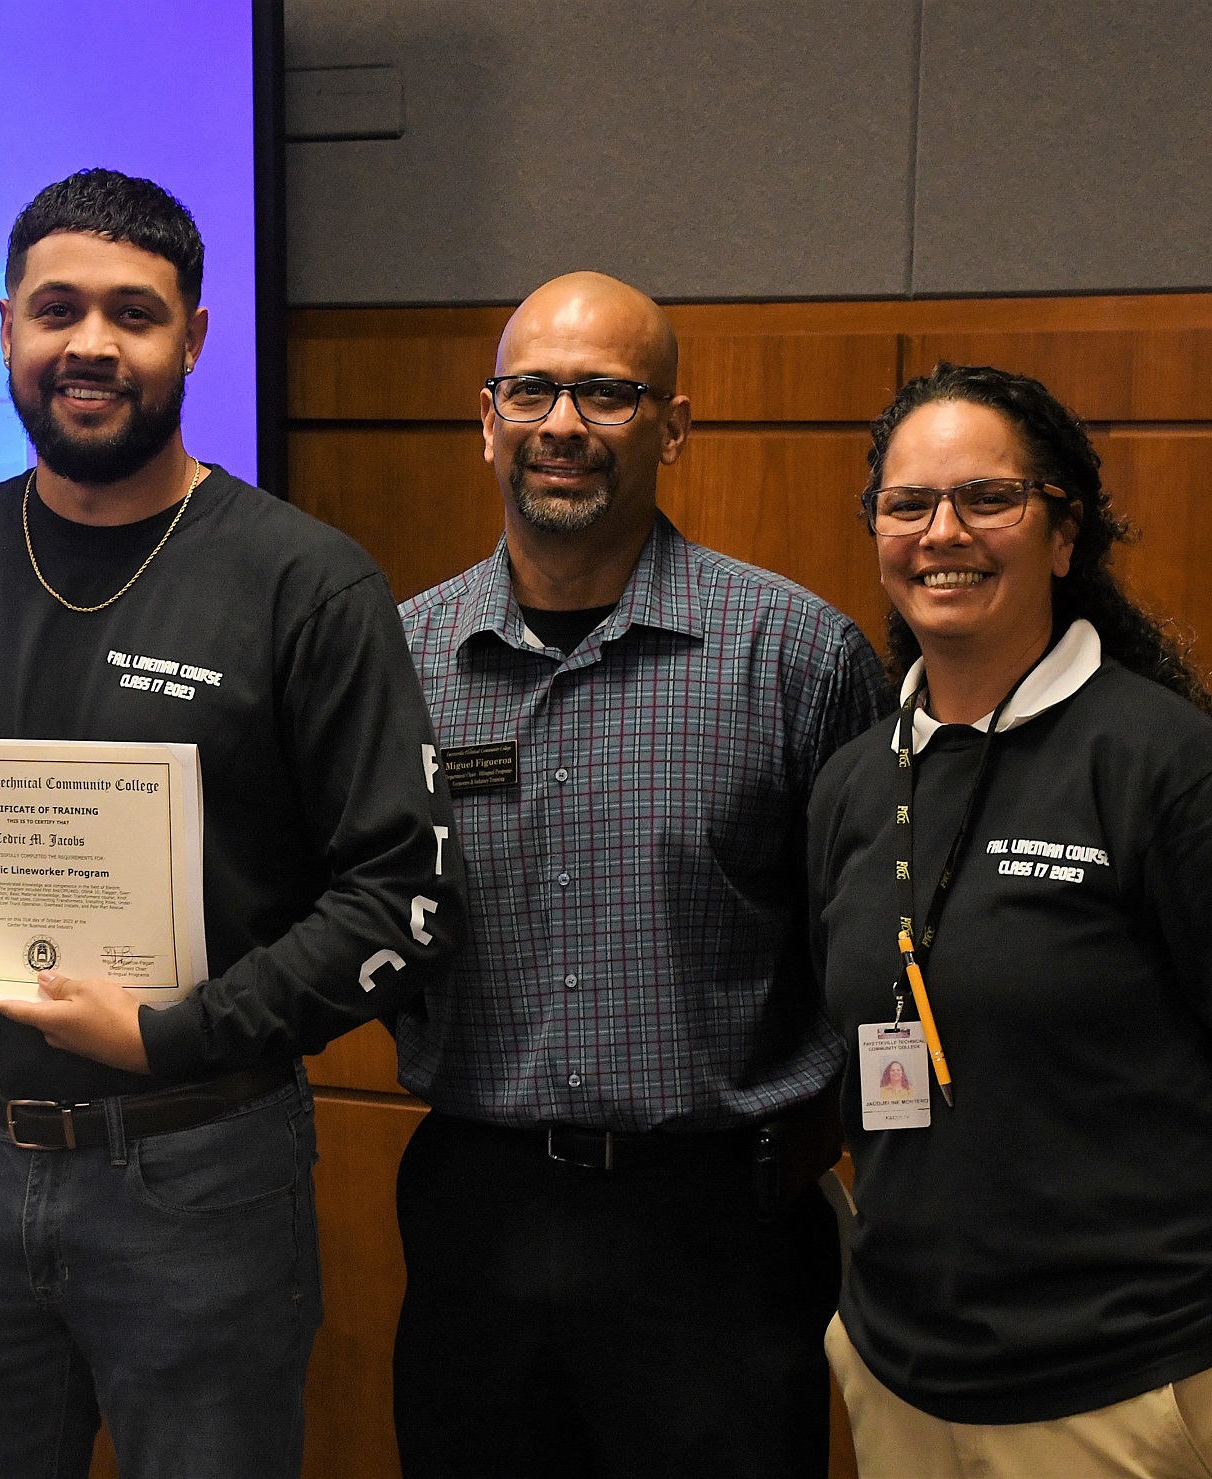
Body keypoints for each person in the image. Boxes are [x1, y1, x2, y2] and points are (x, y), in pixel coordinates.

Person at [0, 168, 462, 1479]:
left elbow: (397, 893)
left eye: (132, 312)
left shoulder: (303, 581)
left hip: (200, 1166)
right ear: (4, 328)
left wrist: (173, 1030)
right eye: (57, 309)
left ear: (193, 338)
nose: (90, 343)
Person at [807, 363, 1212, 1479]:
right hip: (904, 1383)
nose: (943, 534)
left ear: (1065, 535)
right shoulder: (851, 784)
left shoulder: (1172, 772)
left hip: (1133, 1391)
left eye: (988, 499)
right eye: (907, 504)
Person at [390, 271, 888, 1478]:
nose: (563, 423)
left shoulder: (797, 655)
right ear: (487, 417)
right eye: (534, 390)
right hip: (476, 1217)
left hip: (717, 1230)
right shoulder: (397, 659)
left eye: (607, 393)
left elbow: (875, 945)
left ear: (671, 426)